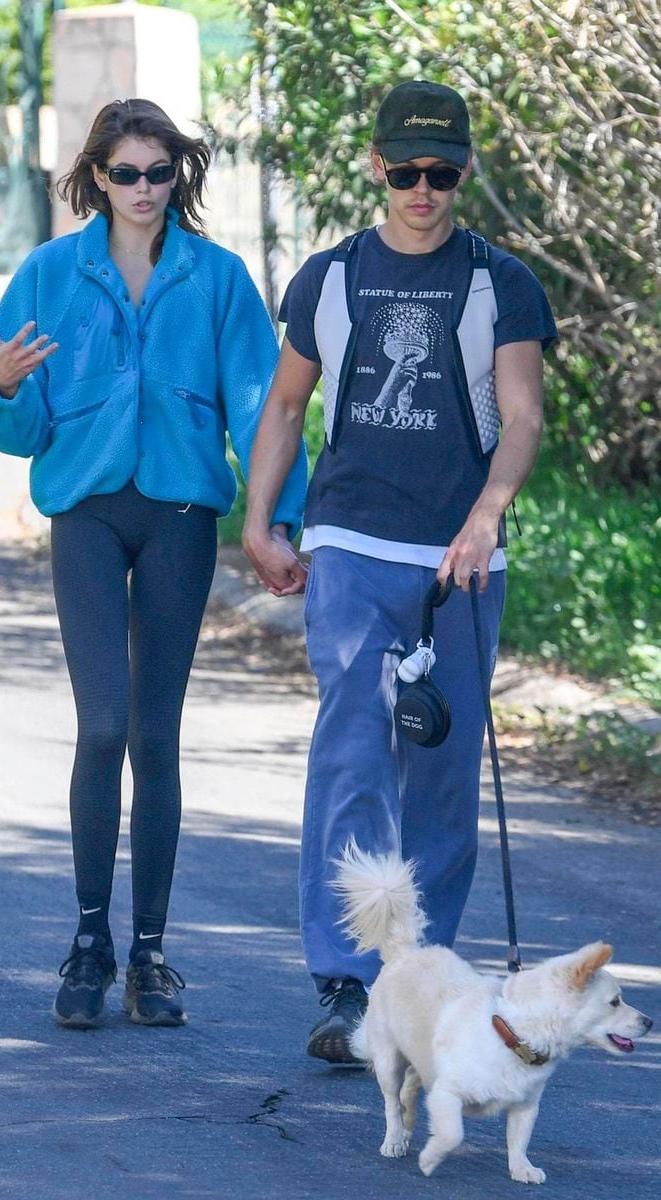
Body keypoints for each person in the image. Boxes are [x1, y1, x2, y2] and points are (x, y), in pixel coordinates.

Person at [0, 98, 306, 1029]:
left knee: (156, 736)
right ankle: (88, 943)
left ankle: (151, 957)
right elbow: (8, 417)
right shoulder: (49, 272)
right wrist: (1, 386)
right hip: (85, 511)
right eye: (127, 173)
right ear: (98, 179)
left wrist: (280, 519)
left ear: (178, 177)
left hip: (182, 515)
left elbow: (262, 409)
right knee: (102, 727)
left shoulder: (219, 278)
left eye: (161, 173)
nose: (145, 189)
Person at [242, 80, 557, 1063]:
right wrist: (261, 519)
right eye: (407, 171)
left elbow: (524, 414)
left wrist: (486, 516)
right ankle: (344, 983)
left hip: (458, 560)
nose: (423, 191)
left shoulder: (500, 281)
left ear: (464, 170)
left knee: (439, 768)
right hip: (354, 541)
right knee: (351, 750)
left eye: (442, 172)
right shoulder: (329, 278)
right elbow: (288, 408)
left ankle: (417, 984)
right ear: (378, 165)